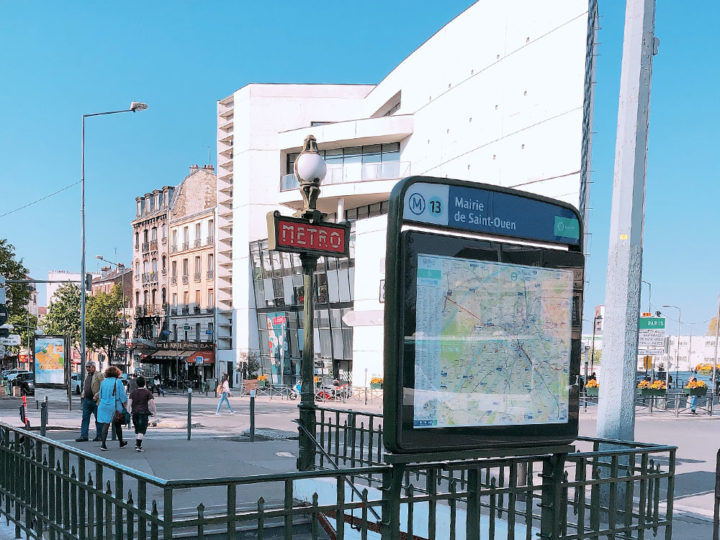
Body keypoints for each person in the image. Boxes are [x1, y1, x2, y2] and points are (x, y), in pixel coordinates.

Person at [96, 366, 129, 450]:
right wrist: (125, 405)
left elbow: (100, 395)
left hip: (103, 405)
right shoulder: (118, 382)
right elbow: (122, 396)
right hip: (114, 405)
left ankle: (103, 444)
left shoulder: (103, 382)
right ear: (117, 373)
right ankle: (121, 442)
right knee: (117, 424)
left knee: (105, 425)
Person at [76, 361, 105, 442]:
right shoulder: (86, 375)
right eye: (86, 367)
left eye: (89, 367)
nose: (87, 368)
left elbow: (103, 387)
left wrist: (97, 395)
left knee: (98, 419)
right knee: (85, 418)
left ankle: (99, 436)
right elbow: (86, 386)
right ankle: (84, 436)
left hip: (96, 401)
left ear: (93, 367)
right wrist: (83, 393)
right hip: (87, 400)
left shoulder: (99, 375)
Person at [128, 376, 156, 452]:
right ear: (144, 383)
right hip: (143, 413)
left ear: (137, 384)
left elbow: (129, 403)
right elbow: (152, 403)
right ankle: (138, 445)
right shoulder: (147, 392)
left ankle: (137, 443)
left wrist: (128, 412)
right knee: (142, 429)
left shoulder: (133, 393)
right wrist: (154, 412)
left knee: (137, 429)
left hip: (135, 413)